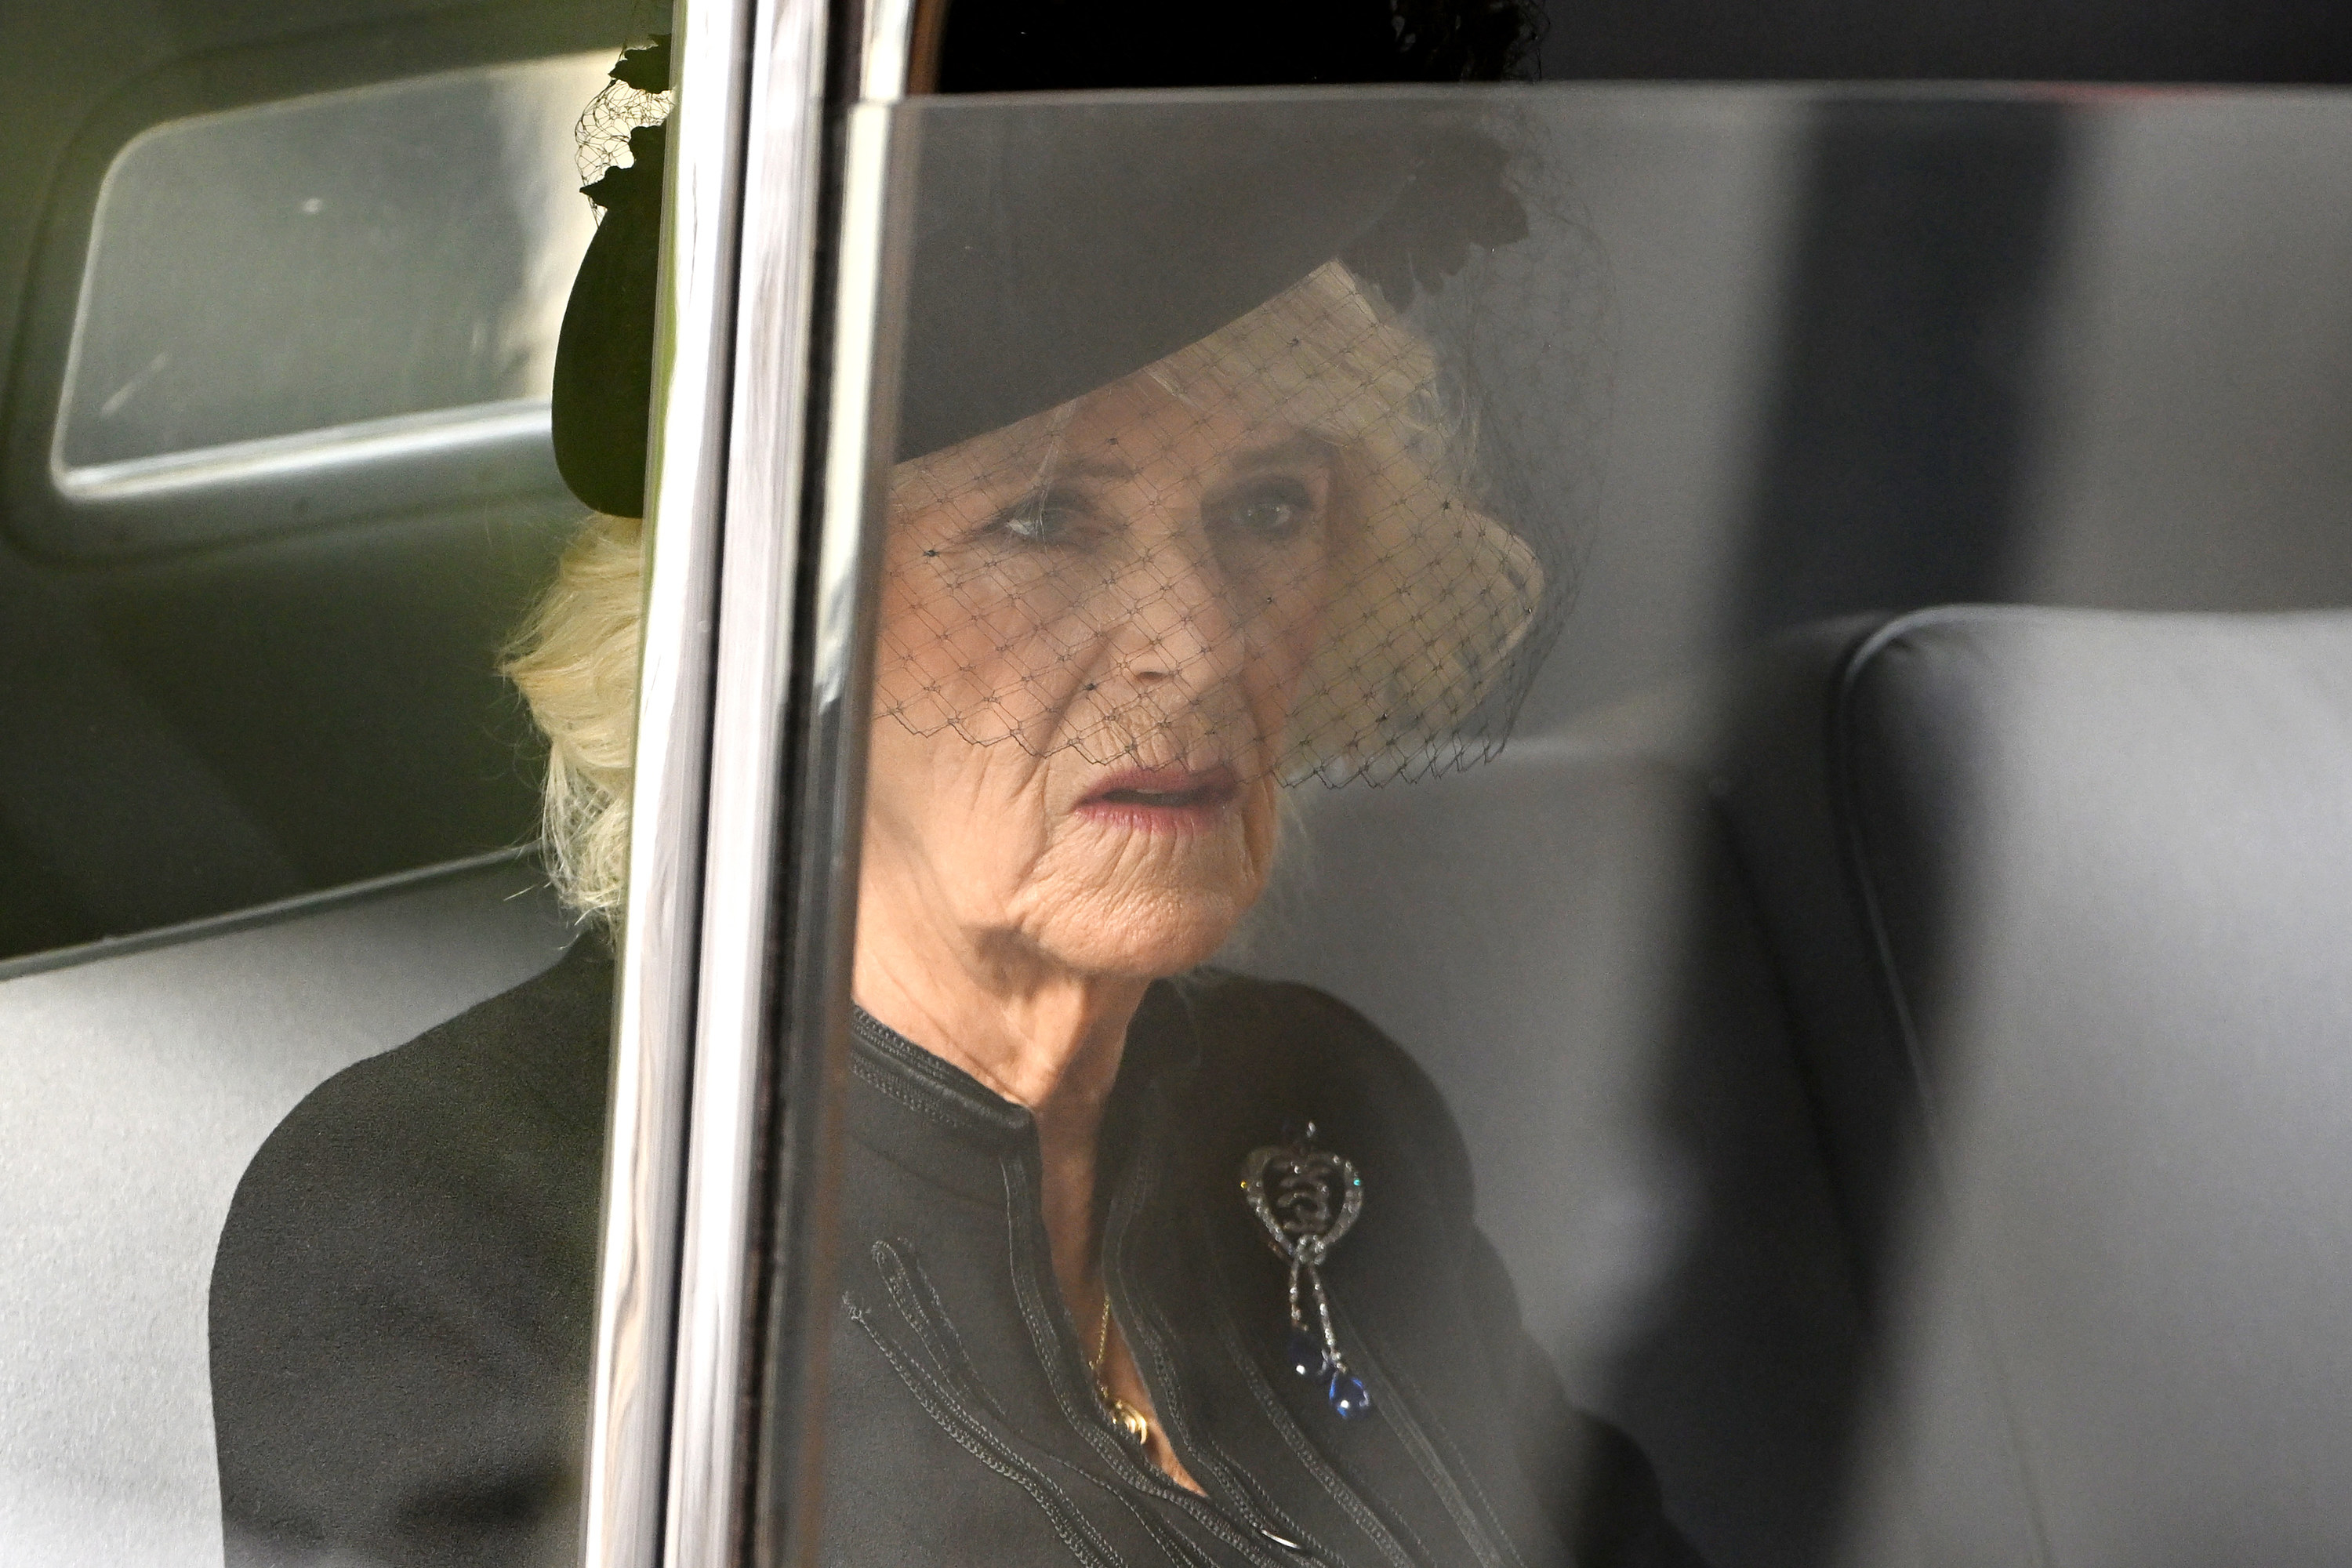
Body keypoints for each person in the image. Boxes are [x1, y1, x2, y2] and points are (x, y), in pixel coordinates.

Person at [209, 7, 1708, 1566]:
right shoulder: (452, 1222)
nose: (1197, 650)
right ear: (785, 617)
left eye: (1269, 505)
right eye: (1043, 521)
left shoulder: (1321, 1101)